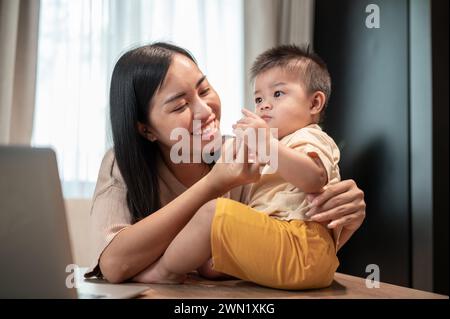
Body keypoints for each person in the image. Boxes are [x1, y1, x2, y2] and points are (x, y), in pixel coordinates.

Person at [85, 42, 366, 287]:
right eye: (180, 106)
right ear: (146, 129)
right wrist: (213, 183)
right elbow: (114, 265)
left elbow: (285, 251)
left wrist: (345, 224)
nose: (205, 111)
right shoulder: (121, 164)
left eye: (204, 90)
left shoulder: (248, 152)